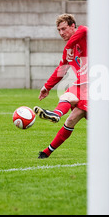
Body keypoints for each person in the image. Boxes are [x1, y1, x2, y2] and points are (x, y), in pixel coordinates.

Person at [34, 14, 87, 159]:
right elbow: (61, 70)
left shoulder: (83, 34)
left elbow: (85, 30)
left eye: (64, 28)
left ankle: (56, 114)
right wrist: (47, 87)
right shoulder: (67, 50)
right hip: (83, 86)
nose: (61, 33)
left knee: (99, 126)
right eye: (59, 30)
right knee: (70, 118)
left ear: (72, 26)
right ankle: (46, 152)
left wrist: (69, 45)